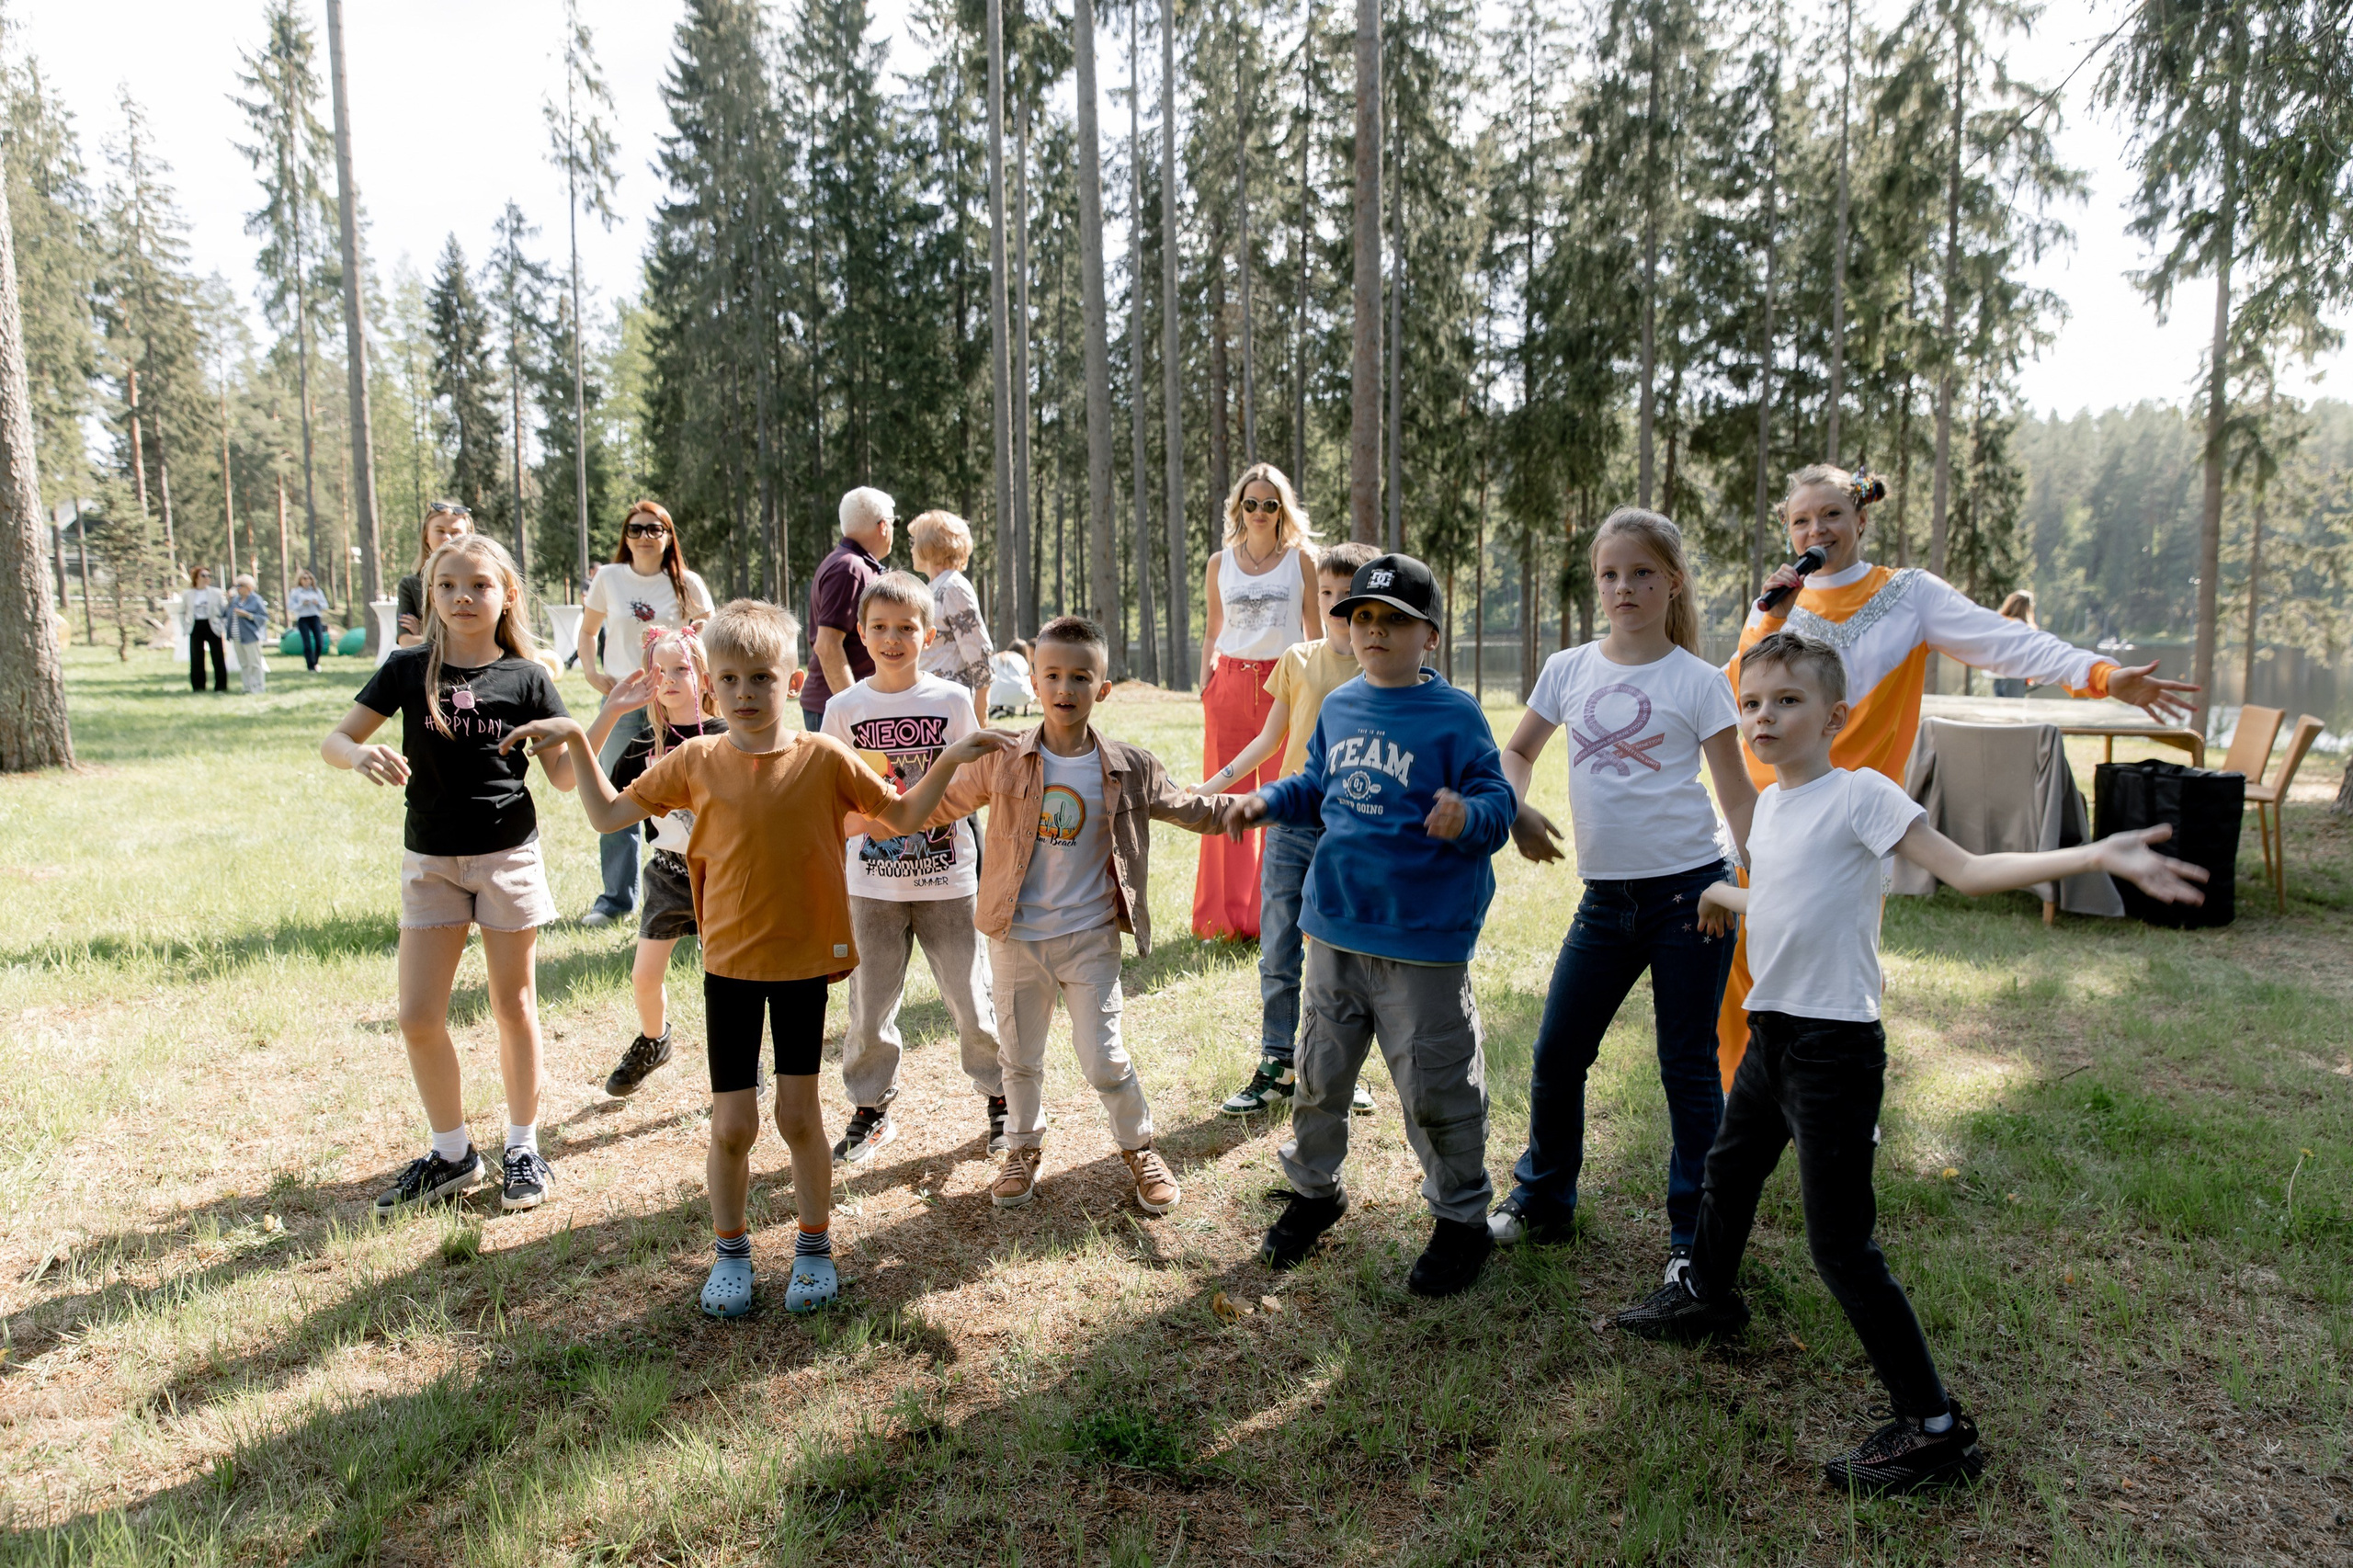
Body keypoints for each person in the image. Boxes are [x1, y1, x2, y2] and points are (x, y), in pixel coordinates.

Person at [1617, 630, 2208, 1493]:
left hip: (1833, 1052)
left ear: (1835, 715)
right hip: (1772, 1032)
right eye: (1750, 702)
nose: (1763, 717)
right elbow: (1786, 898)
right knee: (1727, 1174)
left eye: (1787, 701)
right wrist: (1723, 891)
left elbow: (1968, 870)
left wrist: (2091, 852)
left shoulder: (1862, 794)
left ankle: (1935, 1429)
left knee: (1841, 1246)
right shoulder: (1773, 807)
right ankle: (1706, 1290)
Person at [506, 598, 1016, 1318]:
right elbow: (607, 815)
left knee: (799, 1117)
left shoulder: (823, 756)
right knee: (733, 1126)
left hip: (805, 968)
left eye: (762, 679)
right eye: (732, 681)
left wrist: (954, 761)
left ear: (792, 679)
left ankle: (813, 1247)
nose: (746, 695)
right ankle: (731, 1251)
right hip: (730, 972)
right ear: (710, 687)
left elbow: (899, 817)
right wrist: (573, 738)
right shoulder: (695, 760)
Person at [1715, 465, 2199, 1085]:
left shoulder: (1907, 594)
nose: (1817, 529)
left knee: (1840, 960)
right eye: (1801, 520)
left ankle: (1841, 1094)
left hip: (1853, 820)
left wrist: (2101, 674)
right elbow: (1736, 692)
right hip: (1764, 808)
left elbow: (2007, 643)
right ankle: (1738, 1097)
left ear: (1860, 520)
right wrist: (1768, 619)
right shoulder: (1779, 607)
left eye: (1831, 514)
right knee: (1743, 955)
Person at [1226, 555, 1518, 1298]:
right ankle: (1315, 1193)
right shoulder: (1342, 704)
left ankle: (1460, 1219)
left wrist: (1467, 816)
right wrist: (1269, 801)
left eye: (1394, 620)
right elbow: (1318, 783)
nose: (1375, 630)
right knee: (1319, 1075)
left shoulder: (1454, 716)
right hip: (1334, 929)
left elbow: (1498, 805)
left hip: (1420, 940)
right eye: (1361, 617)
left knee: (1437, 1085)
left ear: (1431, 638)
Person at [1488, 509, 1759, 1277]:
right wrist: (1513, 805)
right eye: (1611, 574)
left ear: (1673, 583)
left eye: (1642, 573)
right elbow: (1516, 749)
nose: (1624, 587)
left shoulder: (1702, 682)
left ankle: (1692, 1240)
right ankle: (1543, 1198)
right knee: (1557, 1054)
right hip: (1605, 902)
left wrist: (1767, 877)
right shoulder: (1569, 669)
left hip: (1693, 896)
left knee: (1687, 1065)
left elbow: (1737, 798)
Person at [928, 615, 1232, 1216]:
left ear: (1103, 687)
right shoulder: (1003, 758)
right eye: (1052, 676)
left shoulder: (1127, 766)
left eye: (1080, 677)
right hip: (1018, 939)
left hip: (1089, 941)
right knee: (1019, 1058)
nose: (1065, 688)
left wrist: (1274, 804)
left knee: (1105, 1056)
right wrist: (869, 806)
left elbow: (1193, 808)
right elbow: (936, 805)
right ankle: (1022, 1148)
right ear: (1034, 682)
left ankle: (1140, 1147)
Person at [321, 533, 576, 1215]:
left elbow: (564, 778)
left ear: (506, 595)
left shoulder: (528, 677)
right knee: (416, 1016)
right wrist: (358, 757)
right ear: (430, 594)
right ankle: (453, 1153)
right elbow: (336, 739)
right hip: (430, 861)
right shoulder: (408, 669)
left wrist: (583, 728)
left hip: (506, 857)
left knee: (512, 1006)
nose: (463, 597)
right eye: (448, 585)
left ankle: (523, 1146)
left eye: (479, 585)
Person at [823, 572, 1006, 1164]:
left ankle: (1003, 1098)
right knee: (869, 1006)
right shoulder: (843, 707)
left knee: (971, 1000)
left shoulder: (950, 701)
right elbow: (830, 794)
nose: (893, 638)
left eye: (907, 628)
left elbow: (976, 780)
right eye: (880, 627)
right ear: (861, 633)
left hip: (947, 880)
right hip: (871, 884)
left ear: (928, 636)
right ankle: (871, 1110)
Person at [1196, 539, 1381, 1118]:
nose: (1334, 606)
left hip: (1351, 830)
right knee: (1278, 948)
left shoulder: (1384, 670)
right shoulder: (1297, 661)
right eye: (1325, 594)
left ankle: (1341, 1068)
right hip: (1290, 823)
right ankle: (1277, 1062)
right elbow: (1267, 741)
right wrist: (1215, 785)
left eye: (1347, 596)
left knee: (1342, 954)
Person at [585, 625, 728, 1098]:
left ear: (705, 677)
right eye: (659, 670)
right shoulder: (645, 745)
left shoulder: (729, 738)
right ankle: (654, 1040)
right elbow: (610, 800)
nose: (668, 679)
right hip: (666, 873)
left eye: (681, 669)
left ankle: (740, 1066)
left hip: (722, 873)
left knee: (725, 981)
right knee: (644, 976)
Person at [1193, 464, 1322, 940]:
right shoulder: (1218, 563)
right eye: (1252, 503)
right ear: (1238, 509)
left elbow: (1315, 632)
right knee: (1226, 797)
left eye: (1271, 504)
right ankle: (1222, 921)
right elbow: (1212, 630)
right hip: (1227, 684)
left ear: (1282, 509)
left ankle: (1279, 918)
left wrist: (1318, 685)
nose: (1261, 511)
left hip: (1284, 683)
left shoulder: (1301, 561)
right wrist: (1205, 682)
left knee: (1280, 798)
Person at [578, 500, 715, 928]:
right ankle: (616, 899)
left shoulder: (685, 582)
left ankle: (700, 895)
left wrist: (698, 670)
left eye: (654, 529)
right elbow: (588, 629)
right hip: (625, 699)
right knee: (621, 794)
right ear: (625, 536)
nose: (643, 536)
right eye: (634, 529)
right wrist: (591, 672)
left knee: (690, 794)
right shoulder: (609, 577)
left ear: (668, 535)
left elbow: (708, 627)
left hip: (674, 700)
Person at [802, 487, 894, 731]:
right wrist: (854, 711)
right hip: (837, 711)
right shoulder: (849, 569)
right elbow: (827, 645)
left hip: (841, 706)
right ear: (883, 526)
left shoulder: (852, 564)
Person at [909, 510, 995, 726]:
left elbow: (979, 651)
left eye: (914, 540)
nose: (911, 548)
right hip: (931, 707)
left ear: (930, 544)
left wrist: (979, 716)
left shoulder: (953, 588)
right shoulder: (934, 588)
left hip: (950, 710)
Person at [396, 501, 474, 647]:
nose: (447, 538)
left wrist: (424, 635)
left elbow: (483, 640)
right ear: (426, 536)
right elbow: (406, 642)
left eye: (455, 532)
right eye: (440, 531)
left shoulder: (482, 583)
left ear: (469, 536)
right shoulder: (410, 585)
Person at [183, 566, 229, 693]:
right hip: (196, 626)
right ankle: (198, 687)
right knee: (196, 657)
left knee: (218, 657)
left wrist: (221, 626)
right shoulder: (188, 594)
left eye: (209, 576)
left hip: (212, 626)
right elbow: (182, 611)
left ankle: (221, 687)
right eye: (203, 575)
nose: (206, 578)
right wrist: (185, 626)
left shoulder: (216, 593)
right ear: (196, 577)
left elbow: (224, 611)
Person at [227, 574, 270, 695]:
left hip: (251, 636)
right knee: (244, 663)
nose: (238, 588)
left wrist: (247, 615)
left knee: (254, 663)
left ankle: (258, 688)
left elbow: (264, 617)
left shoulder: (256, 599)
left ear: (249, 587)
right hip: (236, 636)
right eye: (237, 586)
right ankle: (247, 687)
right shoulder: (235, 600)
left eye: (240, 586)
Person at [1992, 591, 2037, 698]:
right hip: (2014, 677)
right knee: (2015, 711)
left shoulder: (2000, 624)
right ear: (2027, 608)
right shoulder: (2023, 629)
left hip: (1997, 677)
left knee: (2000, 711)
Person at [289, 570, 332, 671]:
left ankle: (315, 662)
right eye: (304, 578)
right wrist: (301, 604)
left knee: (319, 643)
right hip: (303, 618)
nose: (307, 581)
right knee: (307, 643)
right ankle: (310, 667)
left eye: (309, 578)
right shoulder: (296, 592)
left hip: (315, 617)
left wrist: (317, 603)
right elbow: (291, 606)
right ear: (300, 580)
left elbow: (325, 605)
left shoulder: (317, 591)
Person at [988, 639, 1036, 717]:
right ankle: (1026, 710)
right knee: (1027, 680)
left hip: (996, 694)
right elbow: (1026, 671)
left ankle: (997, 708)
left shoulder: (998, 656)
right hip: (1019, 694)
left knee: (999, 681)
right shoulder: (1020, 658)